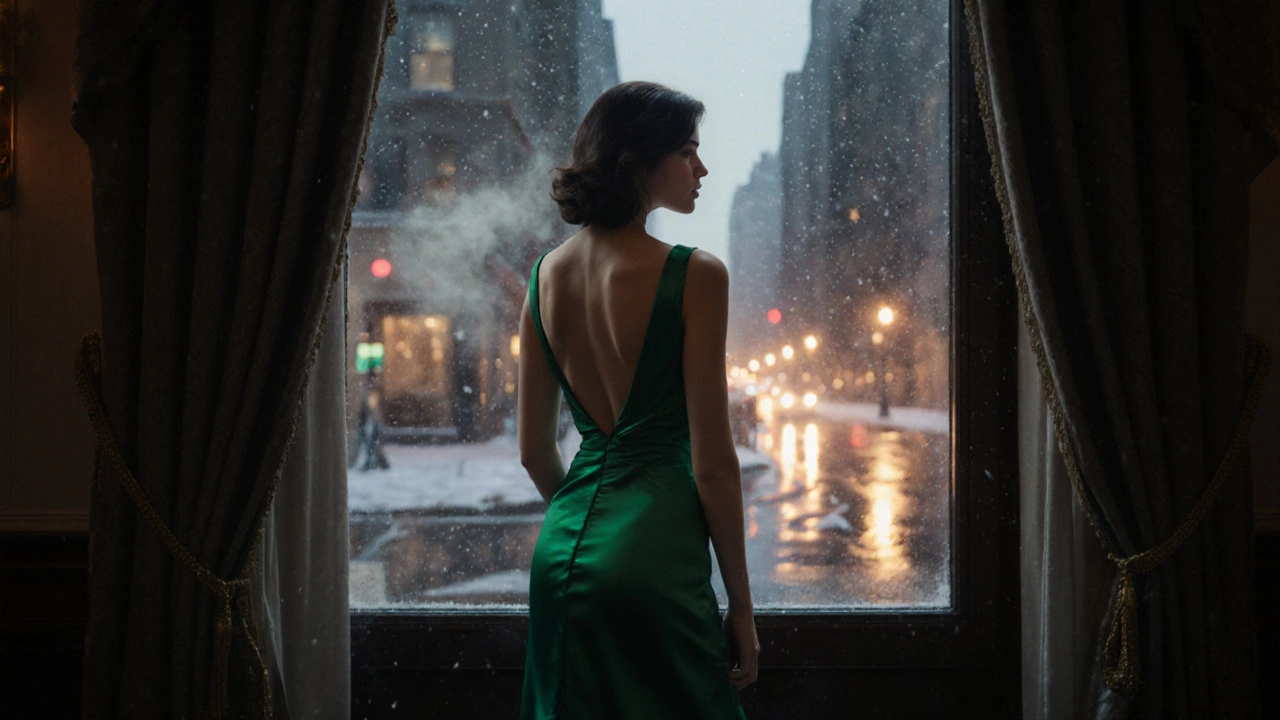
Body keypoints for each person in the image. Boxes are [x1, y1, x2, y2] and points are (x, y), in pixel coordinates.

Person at [517, 81, 758, 719]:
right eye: (687, 152)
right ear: (638, 160)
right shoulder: (696, 274)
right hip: (657, 556)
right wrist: (741, 605)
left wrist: (592, 528)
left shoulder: (543, 278)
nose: (701, 169)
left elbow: (535, 453)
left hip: (562, 554)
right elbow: (713, 463)